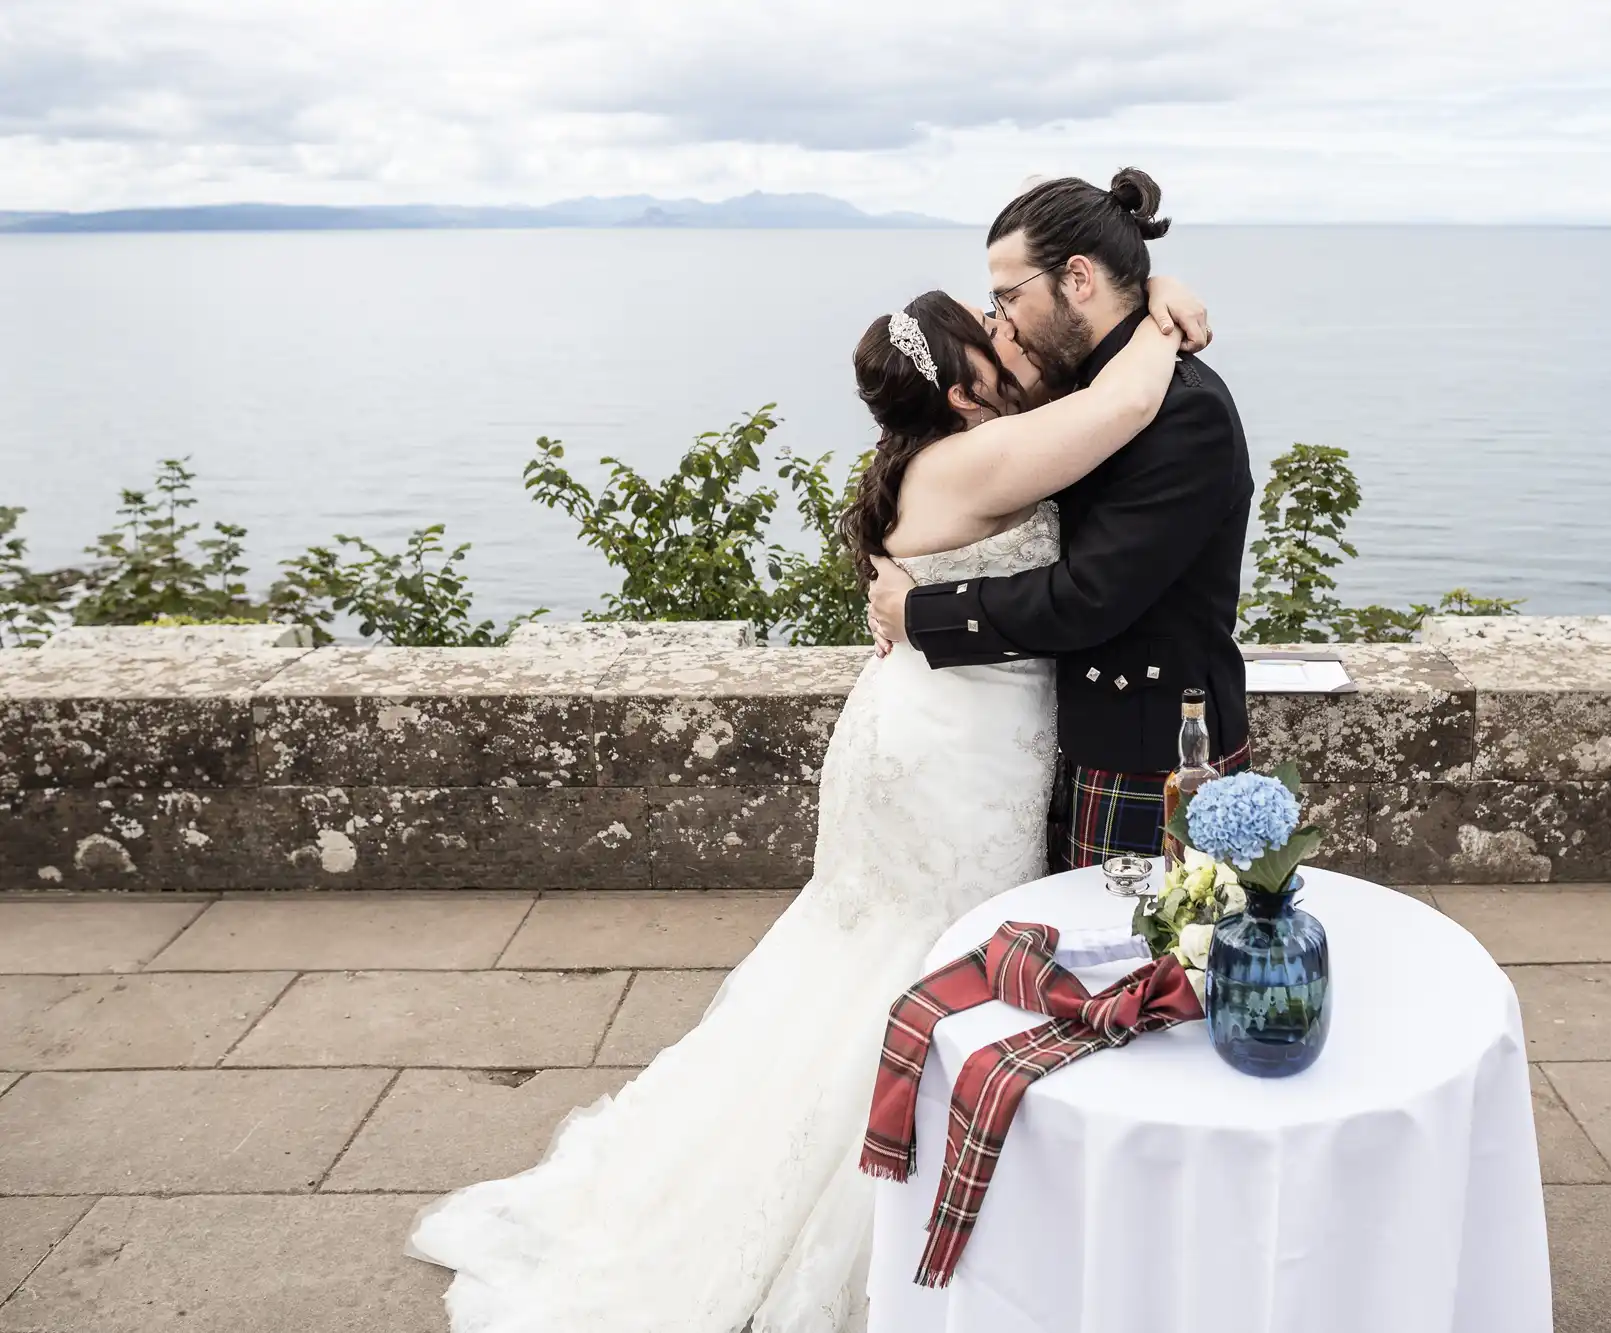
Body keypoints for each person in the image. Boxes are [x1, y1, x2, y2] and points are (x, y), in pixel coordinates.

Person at [405, 268, 1214, 1330]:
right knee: (927, 958)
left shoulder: (937, 455)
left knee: (871, 951)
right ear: (962, 390)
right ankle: (898, 1218)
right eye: (988, 330)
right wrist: (1160, 304)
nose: (1007, 331)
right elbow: (1118, 406)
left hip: (922, 720)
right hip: (951, 747)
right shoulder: (974, 456)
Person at [869, 168, 1255, 869]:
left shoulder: (1185, 411)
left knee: (1154, 967)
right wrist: (1155, 293)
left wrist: (920, 612)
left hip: (1155, 753)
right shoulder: (1082, 386)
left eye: (1006, 297)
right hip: (1081, 741)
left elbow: (1088, 596)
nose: (1004, 321)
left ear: (1077, 278)